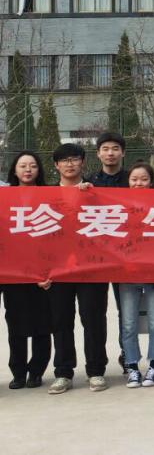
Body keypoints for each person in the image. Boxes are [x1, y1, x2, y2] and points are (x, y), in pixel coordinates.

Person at [47, 143, 110, 394]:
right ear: (56, 165)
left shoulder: (95, 192)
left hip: (91, 267)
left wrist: (91, 196)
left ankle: (96, 370)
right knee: (61, 321)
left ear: (82, 162)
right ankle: (63, 372)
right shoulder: (45, 195)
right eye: (64, 160)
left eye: (74, 159)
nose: (70, 164)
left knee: (93, 319)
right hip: (59, 270)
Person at [3, 151, 51, 389]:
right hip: (13, 272)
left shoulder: (50, 195)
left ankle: (37, 371)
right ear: (14, 170)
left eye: (32, 165)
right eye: (23, 166)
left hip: (42, 272)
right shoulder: (4, 197)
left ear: (39, 170)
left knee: (43, 323)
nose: (28, 170)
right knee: (16, 324)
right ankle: (18, 372)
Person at [119, 162, 154, 388]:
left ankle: (153, 366)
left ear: (151, 182)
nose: (139, 183)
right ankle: (132, 366)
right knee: (129, 323)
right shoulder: (118, 206)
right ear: (128, 182)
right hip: (127, 274)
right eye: (134, 179)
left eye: (144, 179)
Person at [87, 132, 130, 375]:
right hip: (95, 258)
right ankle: (97, 363)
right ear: (98, 154)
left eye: (115, 148)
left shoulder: (132, 180)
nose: (110, 153)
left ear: (123, 152)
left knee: (127, 311)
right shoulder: (88, 183)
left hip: (126, 255)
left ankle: (128, 355)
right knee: (95, 312)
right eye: (105, 149)